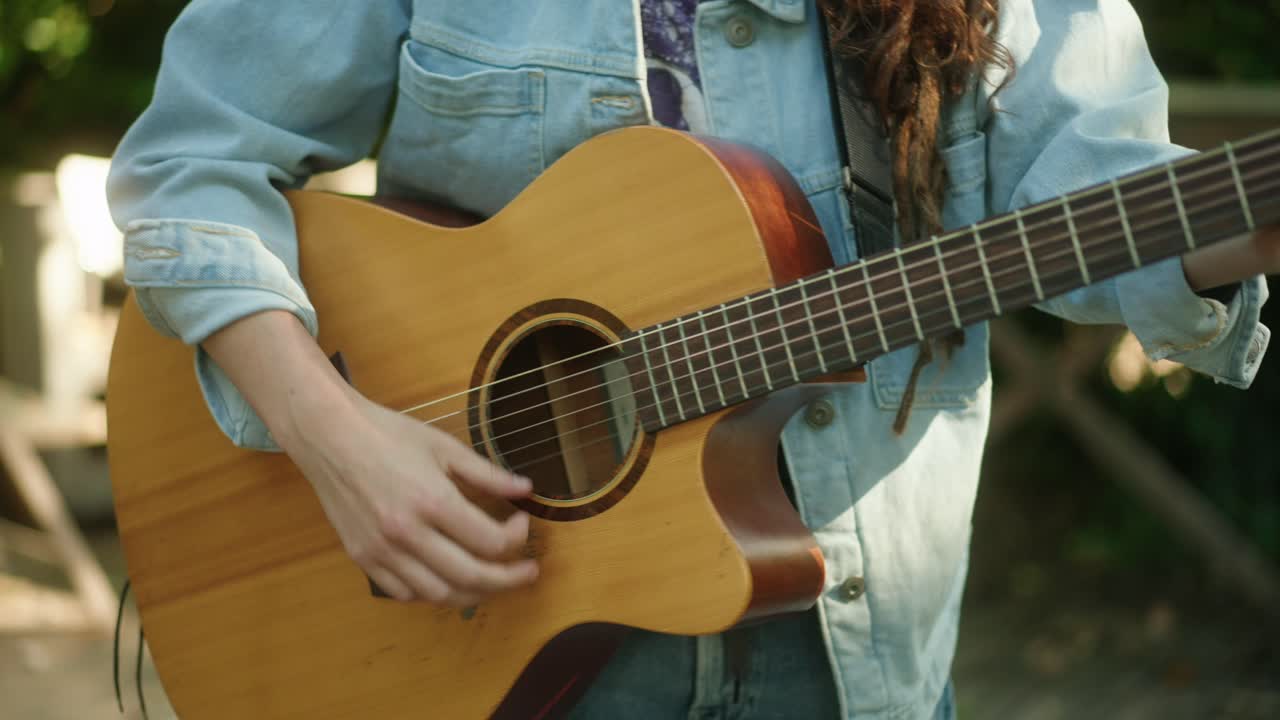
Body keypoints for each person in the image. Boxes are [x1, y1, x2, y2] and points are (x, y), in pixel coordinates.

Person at [107, 1, 1277, 718]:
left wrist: (1239, 218)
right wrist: (336, 438)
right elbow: (192, 163)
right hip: (480, 643)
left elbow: (1099, 193)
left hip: (848, 675)